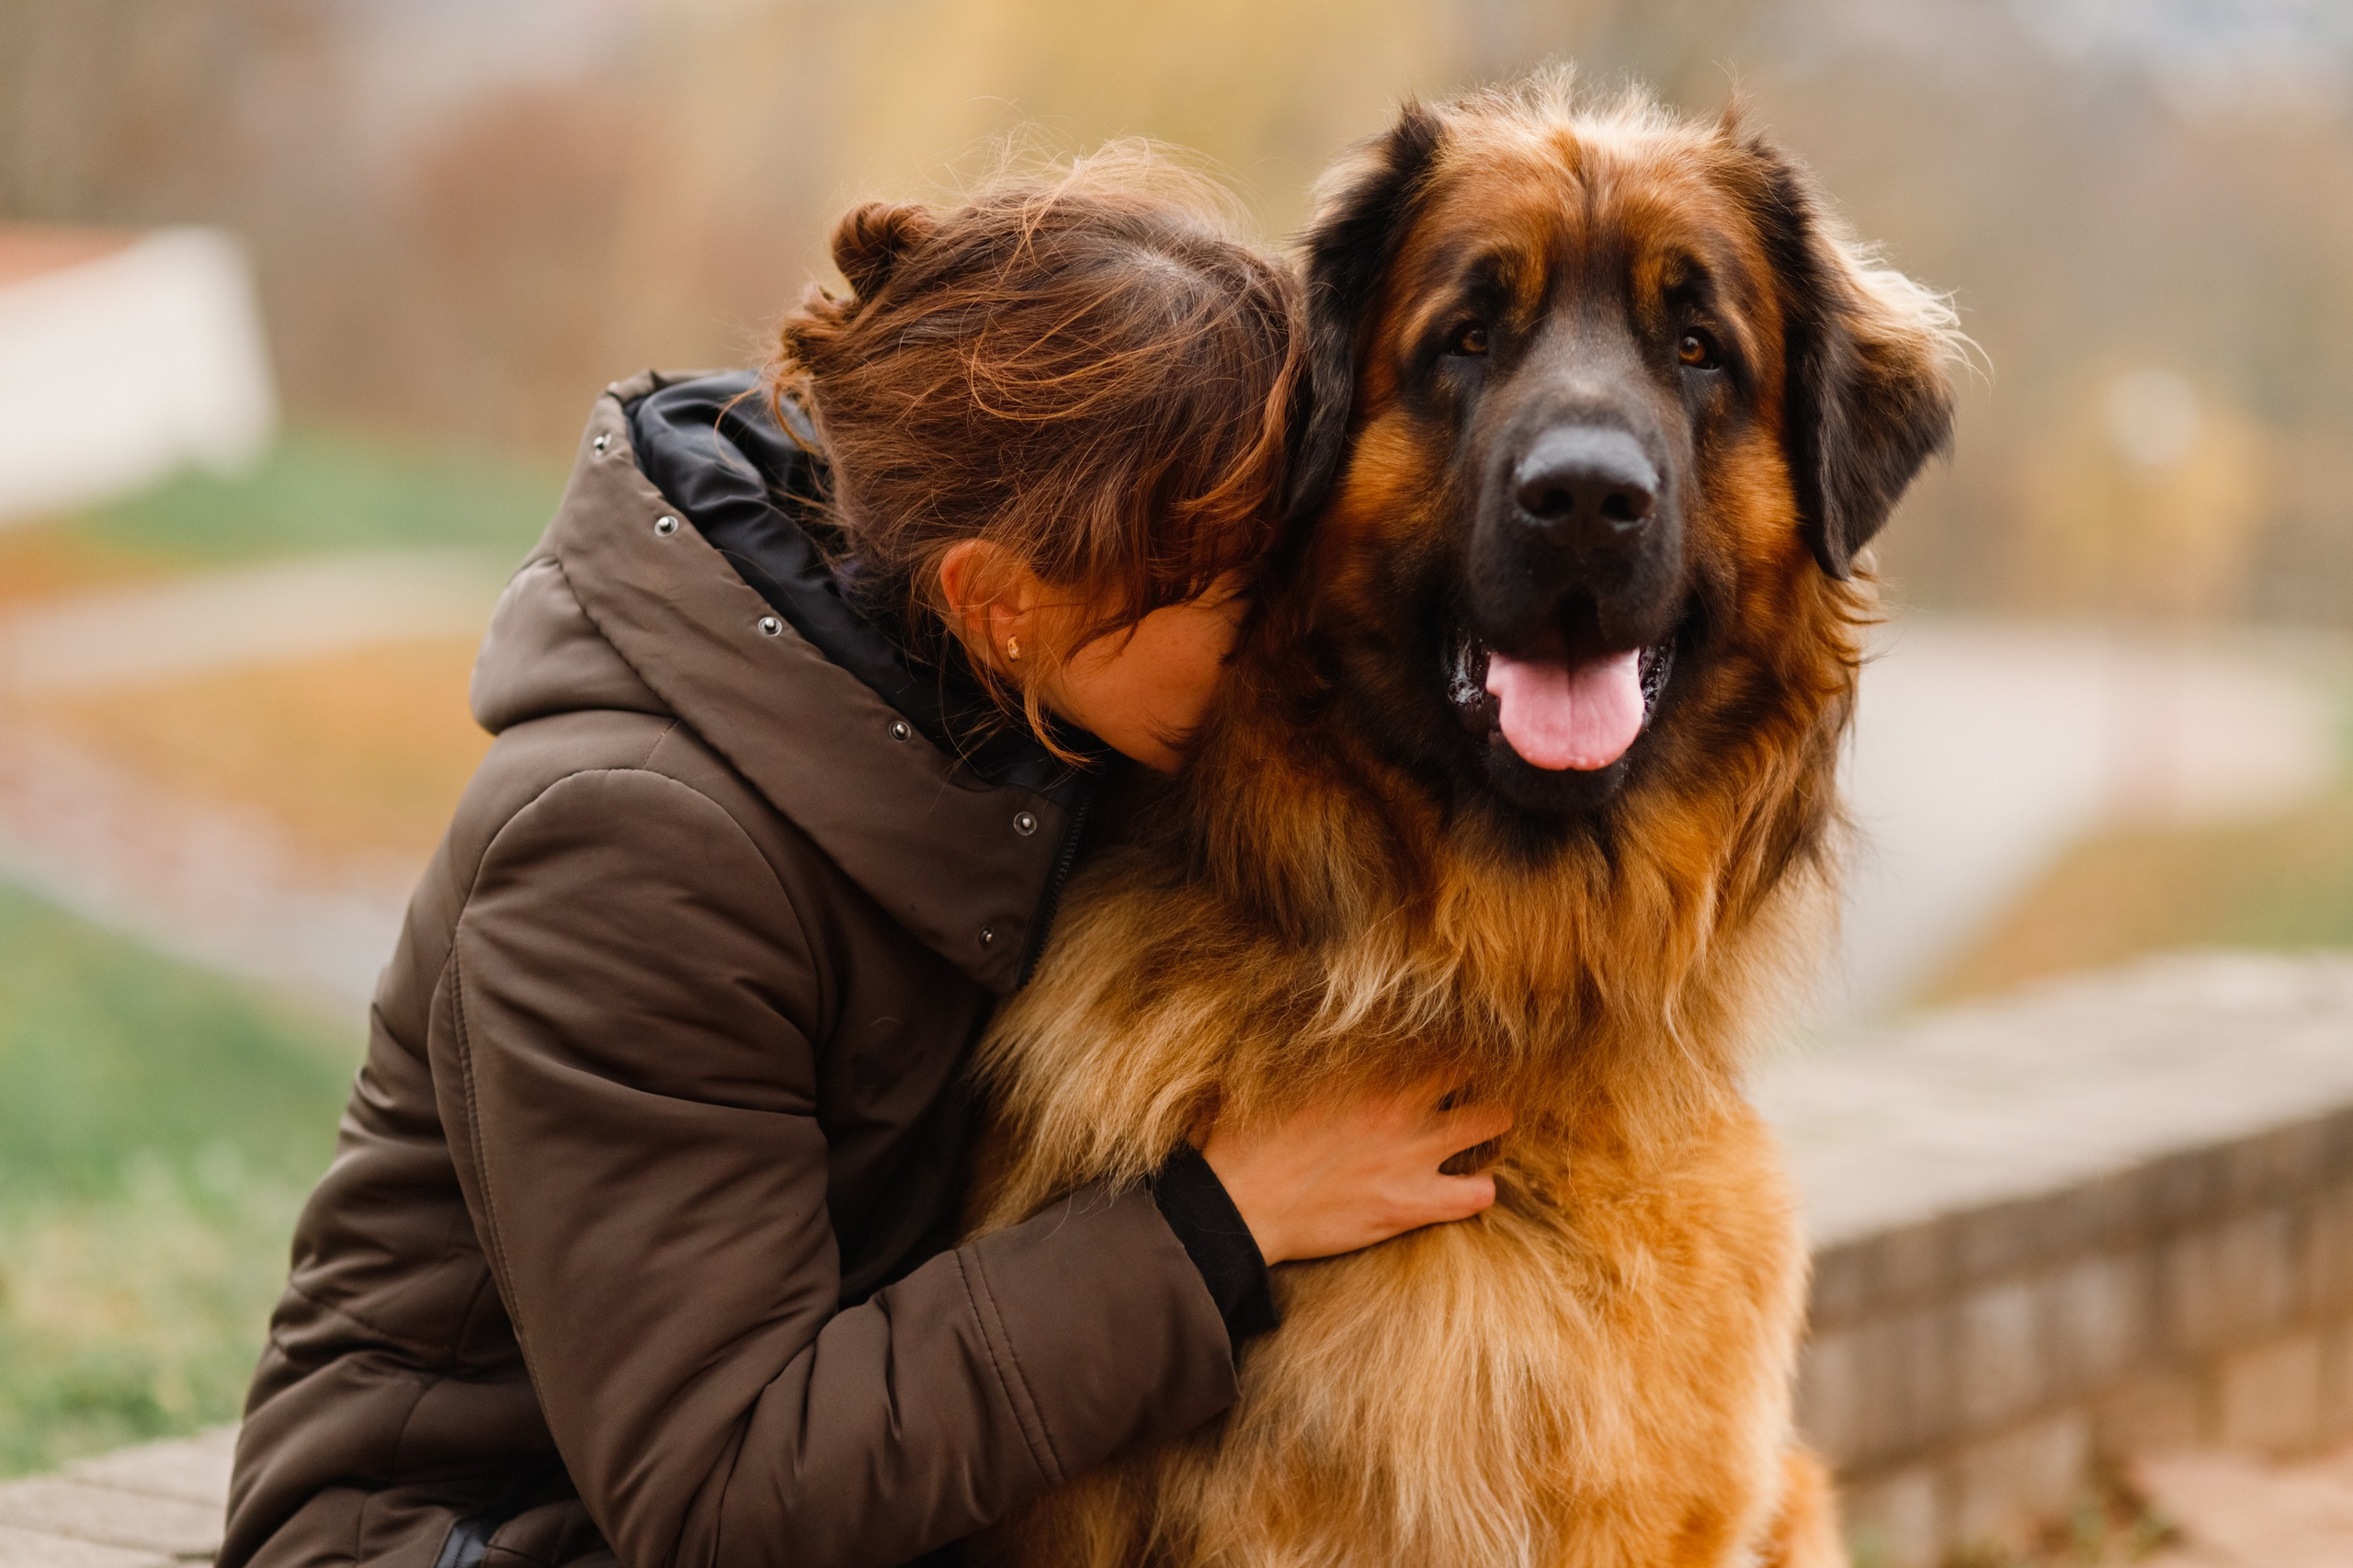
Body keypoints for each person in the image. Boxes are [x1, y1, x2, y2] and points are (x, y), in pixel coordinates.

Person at [222, 151, 1511, 1568]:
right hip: (471, 1530)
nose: (1285, 638)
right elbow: (725, 1493)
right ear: (1003, 603)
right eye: (1234, 595)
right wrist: (1218, 1222)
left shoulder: (1036, 719)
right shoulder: (627, 855)